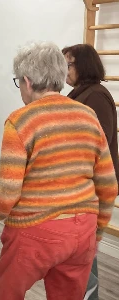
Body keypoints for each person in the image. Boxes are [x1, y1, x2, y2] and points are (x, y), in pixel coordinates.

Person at [0, 41, 117, 300]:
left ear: (26, 81)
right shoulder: (88, 116)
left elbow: (7, 193)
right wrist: (97, 232)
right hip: (83, 229)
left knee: (6, 295)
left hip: (34, 230)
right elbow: (108, 185)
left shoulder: (21, 120)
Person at [62, 43, 119, 300]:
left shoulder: (95, 95)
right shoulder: (79, 94)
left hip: (92, 189)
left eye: (69, 64)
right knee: (80, 253)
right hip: (81, 187)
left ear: (83, 66)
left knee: (84, 255)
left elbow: (100, 144)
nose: (65, 69)